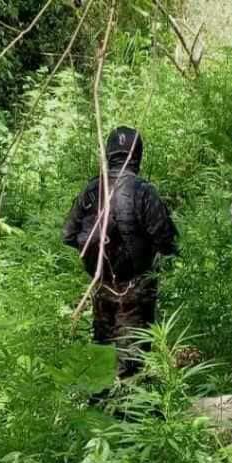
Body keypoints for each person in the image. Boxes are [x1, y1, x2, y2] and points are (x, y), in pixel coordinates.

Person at [63, 126, 177, 377]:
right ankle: (127, 411)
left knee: (102, 350)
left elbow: (69, 236)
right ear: (137, 155)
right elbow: (167, 242)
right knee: (132, 360)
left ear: (109, 153)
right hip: (136, 289)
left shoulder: (90, 190)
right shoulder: (144, 191)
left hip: (101, 285)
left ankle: (99, 407)